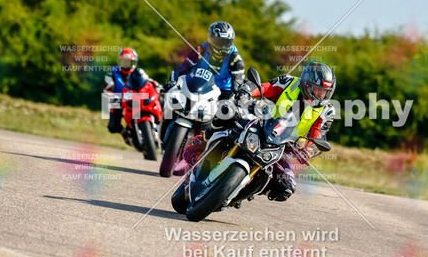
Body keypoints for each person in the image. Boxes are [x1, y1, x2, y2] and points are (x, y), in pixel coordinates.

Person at [184, 61, 337, 202]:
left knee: (286, 187)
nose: (320, 95)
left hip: (284, 146)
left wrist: (308, 151)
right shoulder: (289, 82)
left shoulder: (327, 111)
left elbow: (318, 138)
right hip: (262, 122)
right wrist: (245, 92)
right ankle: (203, 141)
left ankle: (240, 192)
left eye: (325, 91)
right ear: (306, 84)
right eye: (317, 89)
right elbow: (264, 88)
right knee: (227, 110)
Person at [163, 21, 245, 99]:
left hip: (223, 93)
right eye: (219, 42)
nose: (223, 47)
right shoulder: (200, 50)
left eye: (226, 43)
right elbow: (182, 69)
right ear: (210, 39)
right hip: (197, 90)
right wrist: (172, 81)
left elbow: (237, 83)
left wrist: (232, 99)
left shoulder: (235, 57)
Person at [104, 47, 161, 145]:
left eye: (129, 62)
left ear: (134, 62)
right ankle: (124, 132)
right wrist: (112, 95)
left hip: (138, 97)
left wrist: (158, 86)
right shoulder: (112, 72)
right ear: (119, 61)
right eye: (124, 62)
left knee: (160, 100)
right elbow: (108, 87)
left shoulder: (139, 71)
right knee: (112, 126)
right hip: (120, 99)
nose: (126, 65)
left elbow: (148, 81)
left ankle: (159, 125)